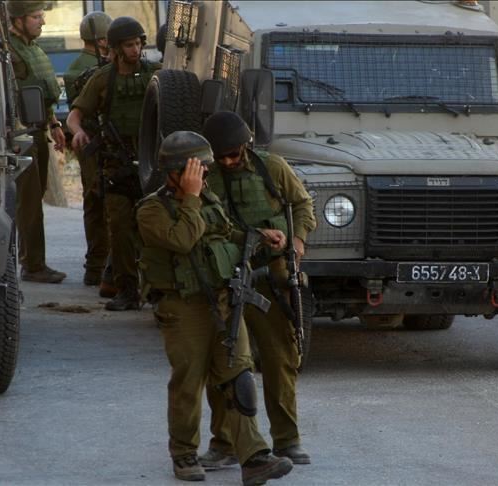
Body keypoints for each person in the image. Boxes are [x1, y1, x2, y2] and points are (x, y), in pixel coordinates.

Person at [136, 131, 294, 485]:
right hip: (184, 308)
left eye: (204, 170)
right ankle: (184, 453)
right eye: (197, 170)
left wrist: (259, 236)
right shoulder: (152, 209)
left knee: (239, 377)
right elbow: (183, 239)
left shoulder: (207, 198)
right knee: (188, 383)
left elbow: (223, 232)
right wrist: (191, 197)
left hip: (223, 300)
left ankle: (254, 457)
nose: (205, 175)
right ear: (175, 172)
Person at [199, 112, 316, 468]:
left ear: (246, 146)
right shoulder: (206, 176)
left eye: (233, 154)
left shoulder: (272, 167)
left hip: (272, 277)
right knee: (226, 362)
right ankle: (225, 443)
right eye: (220, 156)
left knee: (280, 359)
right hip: (227, 275)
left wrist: (296, 241)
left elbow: (302, 205)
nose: (227, 162)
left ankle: (287, 439)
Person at [67, 16, 157, 310]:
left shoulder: (155, 74)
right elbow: (75, 115)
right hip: (116, 164)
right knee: (119, 230)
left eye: (138, 44)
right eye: (129, 45)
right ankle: (127, 290)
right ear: (116, 48)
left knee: (153, 227)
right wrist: (78, 132)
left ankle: (157, 287)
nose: (135, 50)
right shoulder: (103, 78)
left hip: (150, 163)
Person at [7, 0, 67, 283]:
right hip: (23, 134)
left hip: (39, 130)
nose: (42, 22)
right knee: (29, 203)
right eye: (36, 17)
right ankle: (32, 265)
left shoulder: (32, 48)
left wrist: (54, 124)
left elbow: (39, 92)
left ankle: (33, 261)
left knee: (35, 198)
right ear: (18, 20)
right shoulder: (10, 52)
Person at [63, 11, 112, 287]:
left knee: (93, 203)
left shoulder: (74, 68)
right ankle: (101, 265)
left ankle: (95, 266)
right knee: (103, 202)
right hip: (96, 142)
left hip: (88, 145)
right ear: (102, 40)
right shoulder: (95, 70)